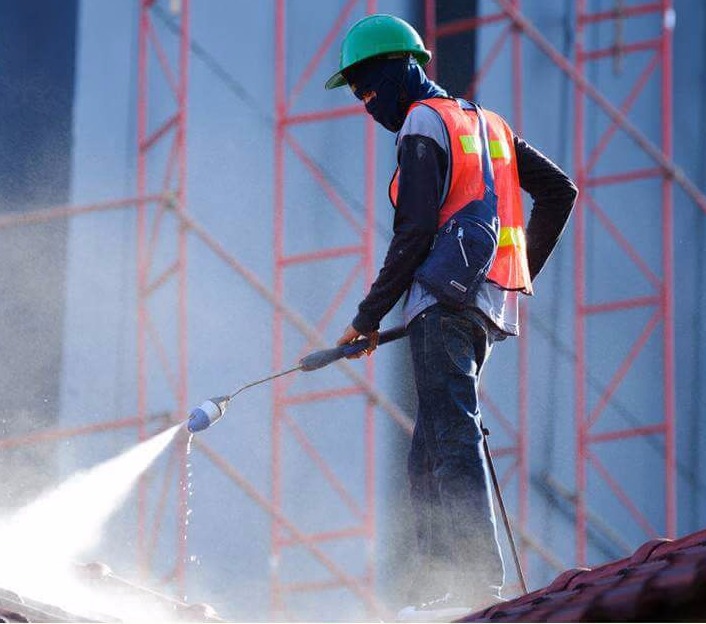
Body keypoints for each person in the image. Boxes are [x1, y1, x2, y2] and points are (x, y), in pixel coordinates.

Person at [325, 13, 578, 621]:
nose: (366, 102)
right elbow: (559, 191)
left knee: (453, 436)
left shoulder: (421, 121)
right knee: (431, 446)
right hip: (478, 307)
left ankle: (477, 583)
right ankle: (443, 585)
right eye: (356, 93)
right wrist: (509, 275)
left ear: (400, 68)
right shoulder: (489, 127)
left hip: (442, 306)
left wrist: (367, 317)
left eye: (367, 86)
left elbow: (413, 231)